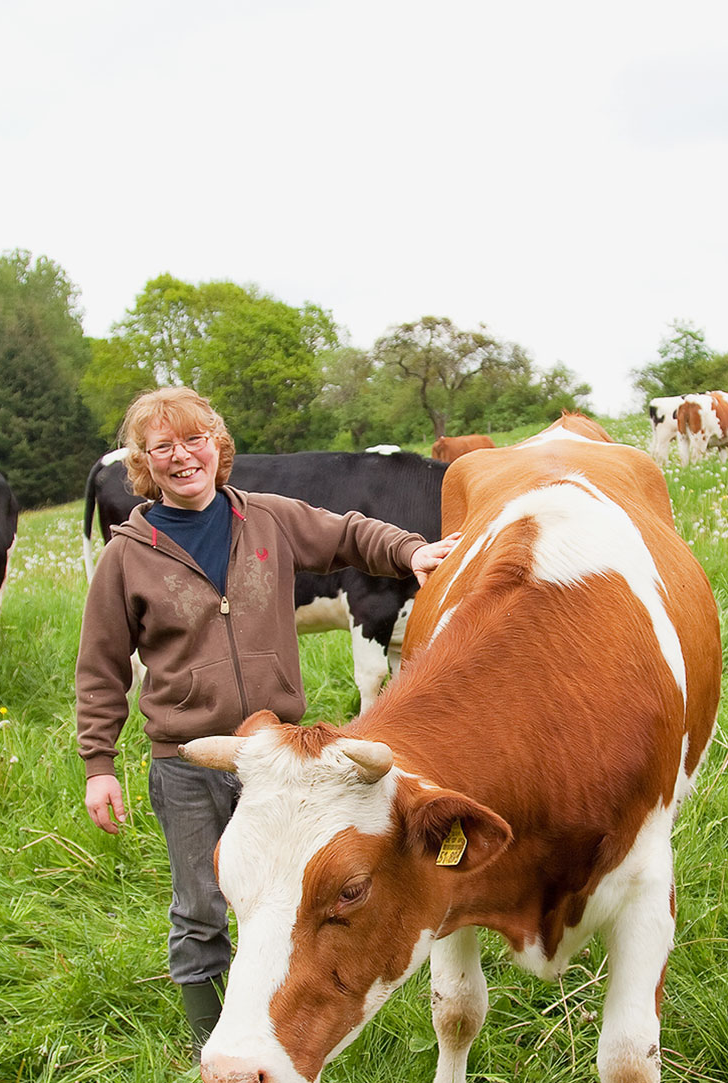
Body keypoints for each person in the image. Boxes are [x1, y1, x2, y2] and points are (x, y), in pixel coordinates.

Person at [73, 386, 458, 1049]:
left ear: (216, 446)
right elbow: (100, 666)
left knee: (286, 900)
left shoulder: (268, 519)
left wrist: (409, 551)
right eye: (163, 447)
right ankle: (207, 1041)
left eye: (194, 440)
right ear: (144, 462)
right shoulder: (126, 556)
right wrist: (98, 764)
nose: (182, 456)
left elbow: (349, 532)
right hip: (188, 761)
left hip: (275, 759)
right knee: (201, 906)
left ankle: (277, 1027)